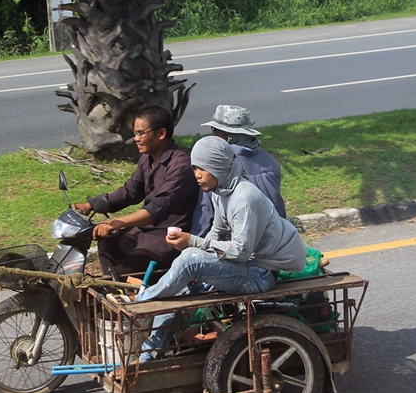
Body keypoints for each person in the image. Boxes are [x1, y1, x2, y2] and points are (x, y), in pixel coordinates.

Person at [133, 136, 307, 363]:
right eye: (195, 168)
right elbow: (217, 233)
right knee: (183, 282)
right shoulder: (220, 191)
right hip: (245, 264)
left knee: (189, 261)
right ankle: (149, 355)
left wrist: (195, 244)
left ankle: (142, 300)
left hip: (261, 272)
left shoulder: (244, 198)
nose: (196, 174)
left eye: (202, 168)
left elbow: (240, 251)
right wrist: (201, 257)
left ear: (219, 166)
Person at [73, 105, 199, 278]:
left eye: (141, 133)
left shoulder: (180, 166)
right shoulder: (147, 159)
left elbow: (159, 208)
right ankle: (116, 287)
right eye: (135, 133)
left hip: (166, 239)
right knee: (107, 241)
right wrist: (90, 205)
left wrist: (119, 222)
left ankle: (118, 289)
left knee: (116, 276)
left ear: (161, 134)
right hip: (144, 232)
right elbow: (130, 191)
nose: (136, 139)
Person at [191, 105, 287, 238]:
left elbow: (205, 216)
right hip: (274, 239)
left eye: (215, 130)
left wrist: (192, 246)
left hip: (238, 244)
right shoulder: (271, 162)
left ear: (226, 136)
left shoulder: (218, 165)